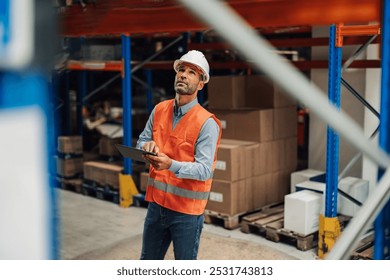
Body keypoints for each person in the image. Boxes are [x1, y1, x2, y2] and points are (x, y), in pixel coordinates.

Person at [136, 50, 222, 260]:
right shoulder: (159, 110)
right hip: (157, 206)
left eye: (192, 72)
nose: (183, 74)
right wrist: (147, 147)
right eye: (181, 70)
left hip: (186, 213)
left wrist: (170, 165)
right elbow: (142, 141)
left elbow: (203, 170)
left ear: (201, 84)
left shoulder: (207, 123)